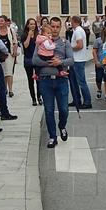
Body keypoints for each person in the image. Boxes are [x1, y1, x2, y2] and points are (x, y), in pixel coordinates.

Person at [33, 16, 73, 147]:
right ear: (49, 26)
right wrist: (50, 63)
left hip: (61, 80)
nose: (55, 29)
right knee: (49, 110)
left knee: (64, 109)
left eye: (57, 27)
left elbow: (71, 60)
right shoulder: (41, 41)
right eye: (53, 26)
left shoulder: (64, 42)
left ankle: (62, 126)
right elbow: (34, 60)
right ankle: (52, 136)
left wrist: (60, 62)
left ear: (60, 27)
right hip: (45, 81)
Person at [69, 15, 92, 108]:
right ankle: (76, 99)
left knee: (81, 82)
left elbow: (80, 45)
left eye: (71, 21)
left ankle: (87, 101)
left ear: (74, 21)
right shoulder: (78, 30)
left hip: (78, 60)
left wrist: (70, 48)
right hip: (76, 59)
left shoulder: (78, 31)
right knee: (73, 81)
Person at [21, 17, 39, 105]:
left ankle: (39, 96)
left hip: (37, 59)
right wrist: (29, 35)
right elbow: (25, 46)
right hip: (28, 60)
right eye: (31, 24)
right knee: (30, 80)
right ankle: (33, 98)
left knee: (38, 79)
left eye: (34, 24)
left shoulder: (38, 34)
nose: (32, 26)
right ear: (28, 25)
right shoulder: (24, 35)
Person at [0, 14, 18, 97]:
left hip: (9, 54)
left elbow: (15, 42)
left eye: (2, 21)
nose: (0, 22)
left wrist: (15, 51)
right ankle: (4, 88)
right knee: (3, 72)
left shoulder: (10, 30)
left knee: (9, 72)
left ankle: (10, 90)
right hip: (0, 55)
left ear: (6, 22)